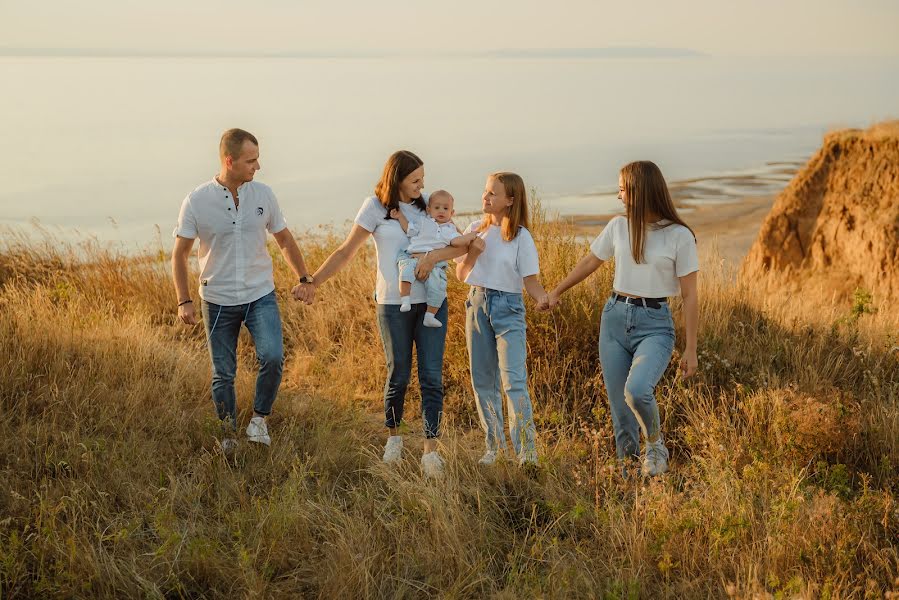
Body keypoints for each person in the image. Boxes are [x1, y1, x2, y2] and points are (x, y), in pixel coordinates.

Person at [296, 151, 472, 478]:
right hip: (392, 304)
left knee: (432, 376)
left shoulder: (429, 205)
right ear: (397, 179)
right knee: (399, 372)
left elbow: (460, 245)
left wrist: (432, 258)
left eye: (422, 178)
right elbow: (346, 251)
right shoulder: (375, 208)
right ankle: (394, 438)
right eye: (415, 180)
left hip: (432, 302)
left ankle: (431, 451)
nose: (422, 185)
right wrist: (313, 280)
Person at [543, 160, 699, 477]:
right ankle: (626, 476)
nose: (619, 196)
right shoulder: (618, 226)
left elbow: (690, 296)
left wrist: (691, 348)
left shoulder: (679, 236)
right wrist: (558, 290)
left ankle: (656, 446)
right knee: (620, 410)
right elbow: (590, 261)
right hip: (614, 319)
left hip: (654, 325)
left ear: (640, 191)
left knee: (636, 391)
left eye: (622, 189)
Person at [171, 128, 314, 452]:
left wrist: (304, 278)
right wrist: (184, 300)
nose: (258, 166)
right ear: (229, 160)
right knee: (223, 373)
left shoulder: (263, 195)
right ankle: (227, 436)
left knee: (274, 357)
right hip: (217, 298)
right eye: (251, 161)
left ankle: (259, 421)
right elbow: (179, 255)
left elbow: (285, 240)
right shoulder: (196, 200)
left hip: (259, 294)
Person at [455, 172, 549, 466]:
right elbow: (461, 275)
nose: (486, 197)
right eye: (485, 191)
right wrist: (472, 253)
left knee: (514, 381)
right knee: (483, 380)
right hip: (477, 304)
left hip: (509, 307)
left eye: (493, 193)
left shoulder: (521, 236)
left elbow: (531, 282)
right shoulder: (473, 230)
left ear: (510, 200)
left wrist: (542, 298)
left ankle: (526, 452)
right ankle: (493, 448)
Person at [392, 189, 479, 327]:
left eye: (446, 208)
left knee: (437, 286)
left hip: (434, 264)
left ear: (452, 213)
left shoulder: (449, 229)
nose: (441, 211)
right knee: (406, 271)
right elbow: (409, 229)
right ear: (428, 209)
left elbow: (456, 242)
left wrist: (471, 235)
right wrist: (400, 216)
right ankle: (405, 299)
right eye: (437, 207)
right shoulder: (423, 222)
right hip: (412, 255)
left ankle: (430, 315)